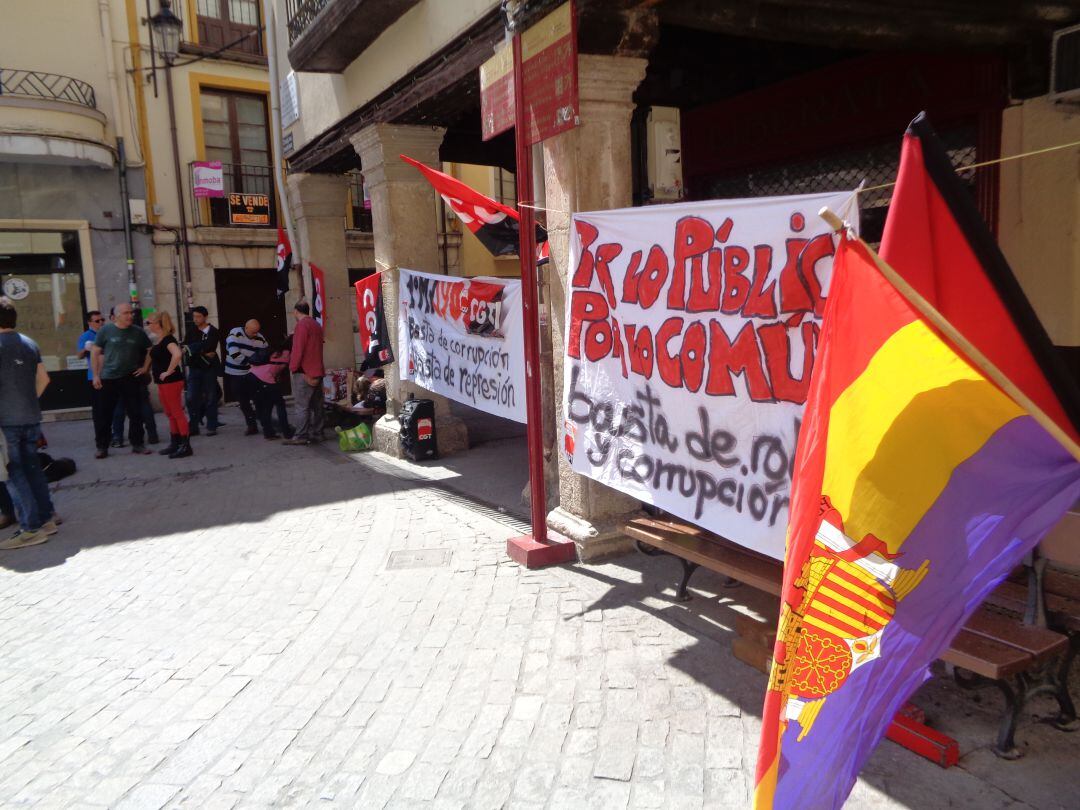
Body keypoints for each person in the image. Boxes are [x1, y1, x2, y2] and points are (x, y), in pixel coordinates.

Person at [0, 297, 58, 549]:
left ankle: (30, 528)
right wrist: (27, 400)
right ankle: (47, 520)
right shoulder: (29, 343)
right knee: (33, 469)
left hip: (6, 422)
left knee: (14, 474)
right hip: (31, 417)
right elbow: (44, 379)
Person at [91, 302, 152, 458]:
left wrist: (145, 368)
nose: (130, 315)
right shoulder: (106, 330)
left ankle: (137, 444)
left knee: (135, 412)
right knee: (104, 414)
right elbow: (95, 352)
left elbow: (150, 349)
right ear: (116, 316)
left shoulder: (137, 332)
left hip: (130, 377)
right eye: (126, 313)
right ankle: (102, 446)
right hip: (108, 378)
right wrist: (96, 375)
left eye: (131, 313)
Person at [105, 308, 159, 447]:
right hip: (138, 374)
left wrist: (144, 368)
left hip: (128, 375)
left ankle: (118, 437)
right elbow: (149, 351)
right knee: (143, 405)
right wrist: (145, 368)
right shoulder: (141, 334)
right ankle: (152, 435)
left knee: (121, 407)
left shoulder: (129, 335)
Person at [147, 311, 193, 459]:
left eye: (149, 323)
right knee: (170, 413)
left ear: (158, 324)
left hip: (171, 382)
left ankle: (186, 446)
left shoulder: (168, 340)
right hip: (162, 382)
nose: (148, 325)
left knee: (177, 413)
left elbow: (178, 354)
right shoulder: (160, 340)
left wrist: (168, 371)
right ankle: (176, 443)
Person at [284, 302, 325, 446]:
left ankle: (301, 435)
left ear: (295, 311)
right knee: (317, 405)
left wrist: (293, 367)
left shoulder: (302, 325)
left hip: (304, 371)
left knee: (302, 406)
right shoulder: (316, 324)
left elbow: (298, 349)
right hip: (317, 369)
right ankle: (318, 432)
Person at [224, 319, 268, 436]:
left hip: (251, 373)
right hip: (235, 373)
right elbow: (235, 355)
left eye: (257, 332)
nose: (255, 335)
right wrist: (253, 363)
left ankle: (266, 426)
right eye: (253, 332)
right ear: (246, 328)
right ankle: (252, 426)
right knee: (243, 402)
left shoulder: (260, 337)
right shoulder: (235, 333)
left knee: (258, 400)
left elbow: (265, 353)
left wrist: (258, 363)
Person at [184, 306, 222, 436]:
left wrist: (195, 348)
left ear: (205, 317)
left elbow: (210, 346)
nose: (195, 319)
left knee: (211, 397)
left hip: (209, 369)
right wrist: (199, 349)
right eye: (194, 317)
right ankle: (194, 425)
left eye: (198, 316)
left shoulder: (214, 331)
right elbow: (186, 347)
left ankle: (211, 425)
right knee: (190, 397)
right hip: (194, 369)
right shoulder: (191, 331)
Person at [251, 335, 294, 440]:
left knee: (267, 405)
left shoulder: (275, 350)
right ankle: (287, 432)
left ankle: (268, 433)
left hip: (253, 376)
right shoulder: (287, 353)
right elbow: (289, 367)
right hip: (265, 379)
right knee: (280, 405)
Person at [77, 310, 105, 440]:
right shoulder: (86, 336)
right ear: (89, 322)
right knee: (99, 409)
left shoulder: (107, 333)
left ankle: (115, 435)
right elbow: (79, 355)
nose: (101, 323)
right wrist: (86, 348)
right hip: (94, 376)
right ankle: (101, 437)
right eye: (97, 321)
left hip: (110, 375)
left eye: (102, 320)